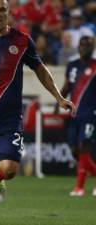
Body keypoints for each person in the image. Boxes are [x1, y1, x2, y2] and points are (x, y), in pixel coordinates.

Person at [0, 0, 76, 224]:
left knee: (9, 170)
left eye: (2, 10)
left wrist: (58, 97)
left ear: (9, 13)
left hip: (9, 119)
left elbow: (40, 69)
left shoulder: (21, 40)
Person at [55, 36, 96, 197]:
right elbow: (66, 87)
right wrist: (58, 102)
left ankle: (79, 187)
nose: (85, 48)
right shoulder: (72, 66)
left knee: (84, 146)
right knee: (74, 151)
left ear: (93, 48)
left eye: (88, 45)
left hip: (90, 114)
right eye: (82, 45)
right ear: (78, 47)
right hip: (74, 114)